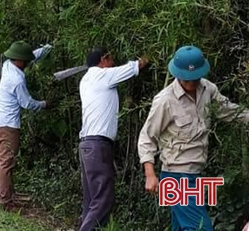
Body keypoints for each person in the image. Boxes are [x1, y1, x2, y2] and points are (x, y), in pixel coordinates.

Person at [139, 46, 249, 231]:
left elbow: (229, 111)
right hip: (175, 176)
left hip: (195, 175)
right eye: (188, 78)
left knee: (183, 228)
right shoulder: (165, 100)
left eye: (196, 77)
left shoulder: (207, 89)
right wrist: (150, 174)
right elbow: (147, 138)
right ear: (178, 74)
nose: (193, 82)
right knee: (201, 228)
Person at [78, 48, 148, 231]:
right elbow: (137, 65)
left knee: (92, 199)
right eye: (111, 59)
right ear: (103, 60)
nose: (113, 63)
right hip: (98, 144)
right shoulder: (103, 76)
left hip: (87, 144)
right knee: (103, 198)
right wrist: (151, 54)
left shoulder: (85, 79)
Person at [0, 40, 53, 211]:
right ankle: (6, 201)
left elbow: (32, 56)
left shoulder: (7, 65)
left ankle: (3, 192)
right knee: (7, 163)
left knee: (0, 161)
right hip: (8, 126)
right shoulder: (17, 79)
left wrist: (47, 49)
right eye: (25, 61)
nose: (27, 64)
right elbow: (27, 103)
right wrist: (44, 104)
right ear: (20, 60)